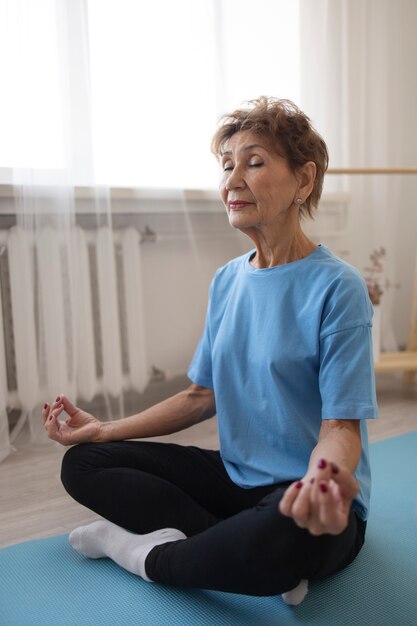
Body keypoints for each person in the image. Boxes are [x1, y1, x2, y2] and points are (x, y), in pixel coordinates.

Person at [43, 97, 378, 603]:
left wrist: (319, 481)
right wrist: (103, 429)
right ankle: (246, 552)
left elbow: (339, 427)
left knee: (290, 530)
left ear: (304, 181)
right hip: (234, 479)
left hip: (305, 492)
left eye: (255, 162)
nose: (232, 180)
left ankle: (139, 555)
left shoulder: (338, 288)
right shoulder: (227, 281)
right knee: (84, 464)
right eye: (227, 166)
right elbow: (201, 396)